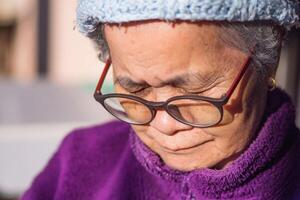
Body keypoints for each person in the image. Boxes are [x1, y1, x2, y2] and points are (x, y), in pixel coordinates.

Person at [22, 0, 300, 199]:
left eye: (194, 90)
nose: (164, 124)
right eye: (137, 89)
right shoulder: (79, 161)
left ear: (268, 60)